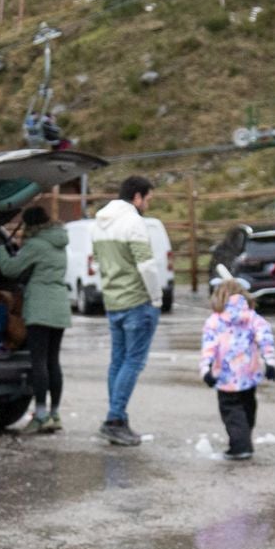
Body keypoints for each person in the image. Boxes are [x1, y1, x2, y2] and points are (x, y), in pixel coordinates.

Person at [92, 175, 162, 446]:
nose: (148, 204)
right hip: (137, 302)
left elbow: (97, 263)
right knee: (133, 362)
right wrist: (155, 298)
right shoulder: (134, 222)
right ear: (137, 197)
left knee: (118, 362)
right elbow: (146, 265)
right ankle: (114, 419)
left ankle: (118, 418)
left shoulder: (98, 223)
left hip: (113, 301)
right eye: (148, 199)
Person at [0, 204, 69, 434]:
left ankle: (40, 415)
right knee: (53, 361)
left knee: (38, 362)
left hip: (40, 307)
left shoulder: (35, 244)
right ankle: (54, 414)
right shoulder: (58, 241)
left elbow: (9, 268)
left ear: (31, 224)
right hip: (59, 305)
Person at [200, 277, 275, 461]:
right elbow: (265, 338)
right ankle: (244, 437)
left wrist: (206, 369)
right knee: (247, 406)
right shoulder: (252, 317)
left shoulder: (214, 321)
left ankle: (240, 446)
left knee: (231, 411)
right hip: (249, 374)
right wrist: (270, 362)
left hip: (225, 376)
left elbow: (209, 347)